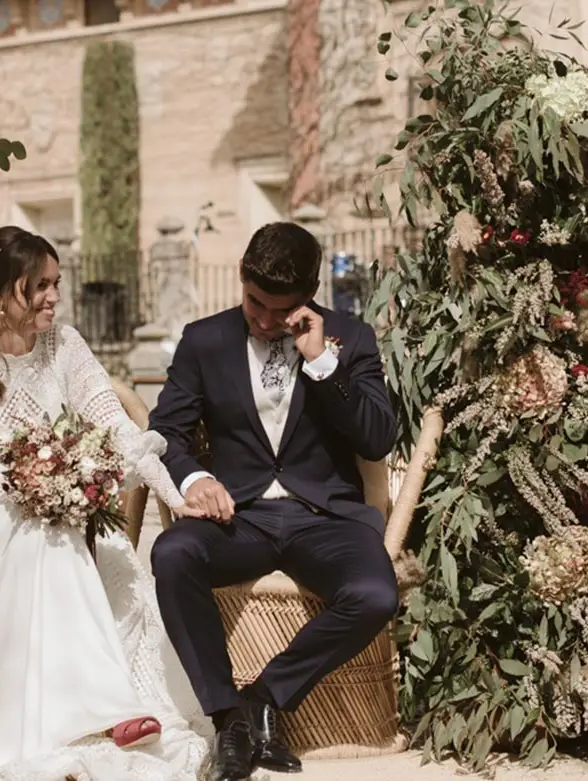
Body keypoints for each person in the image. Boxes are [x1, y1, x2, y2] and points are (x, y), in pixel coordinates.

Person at [0, 226, 209, 780]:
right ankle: (110, 711)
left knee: (110, 556)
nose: (54, 296)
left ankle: (113, 705)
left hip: (54, 506)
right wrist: (28, 477)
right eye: (39, 286)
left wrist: (176, 493)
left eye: (57, 282)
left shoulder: (66, 345)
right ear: (0, 295)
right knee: (45, 534)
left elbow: (119, 429)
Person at [148, 222, 400, 781]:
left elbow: (377, 438)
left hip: (326, 518)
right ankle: (227, 718)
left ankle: (264, 696)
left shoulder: (351, 338)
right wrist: (193, 481)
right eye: (253, 302)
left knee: (376, 594)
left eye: (277, 310)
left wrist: (322, 364)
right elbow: (165, 432)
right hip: (238, 517)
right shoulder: (204, 340)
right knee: (171, 554)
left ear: (309, 297)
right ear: (241, 279)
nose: (262, 320)